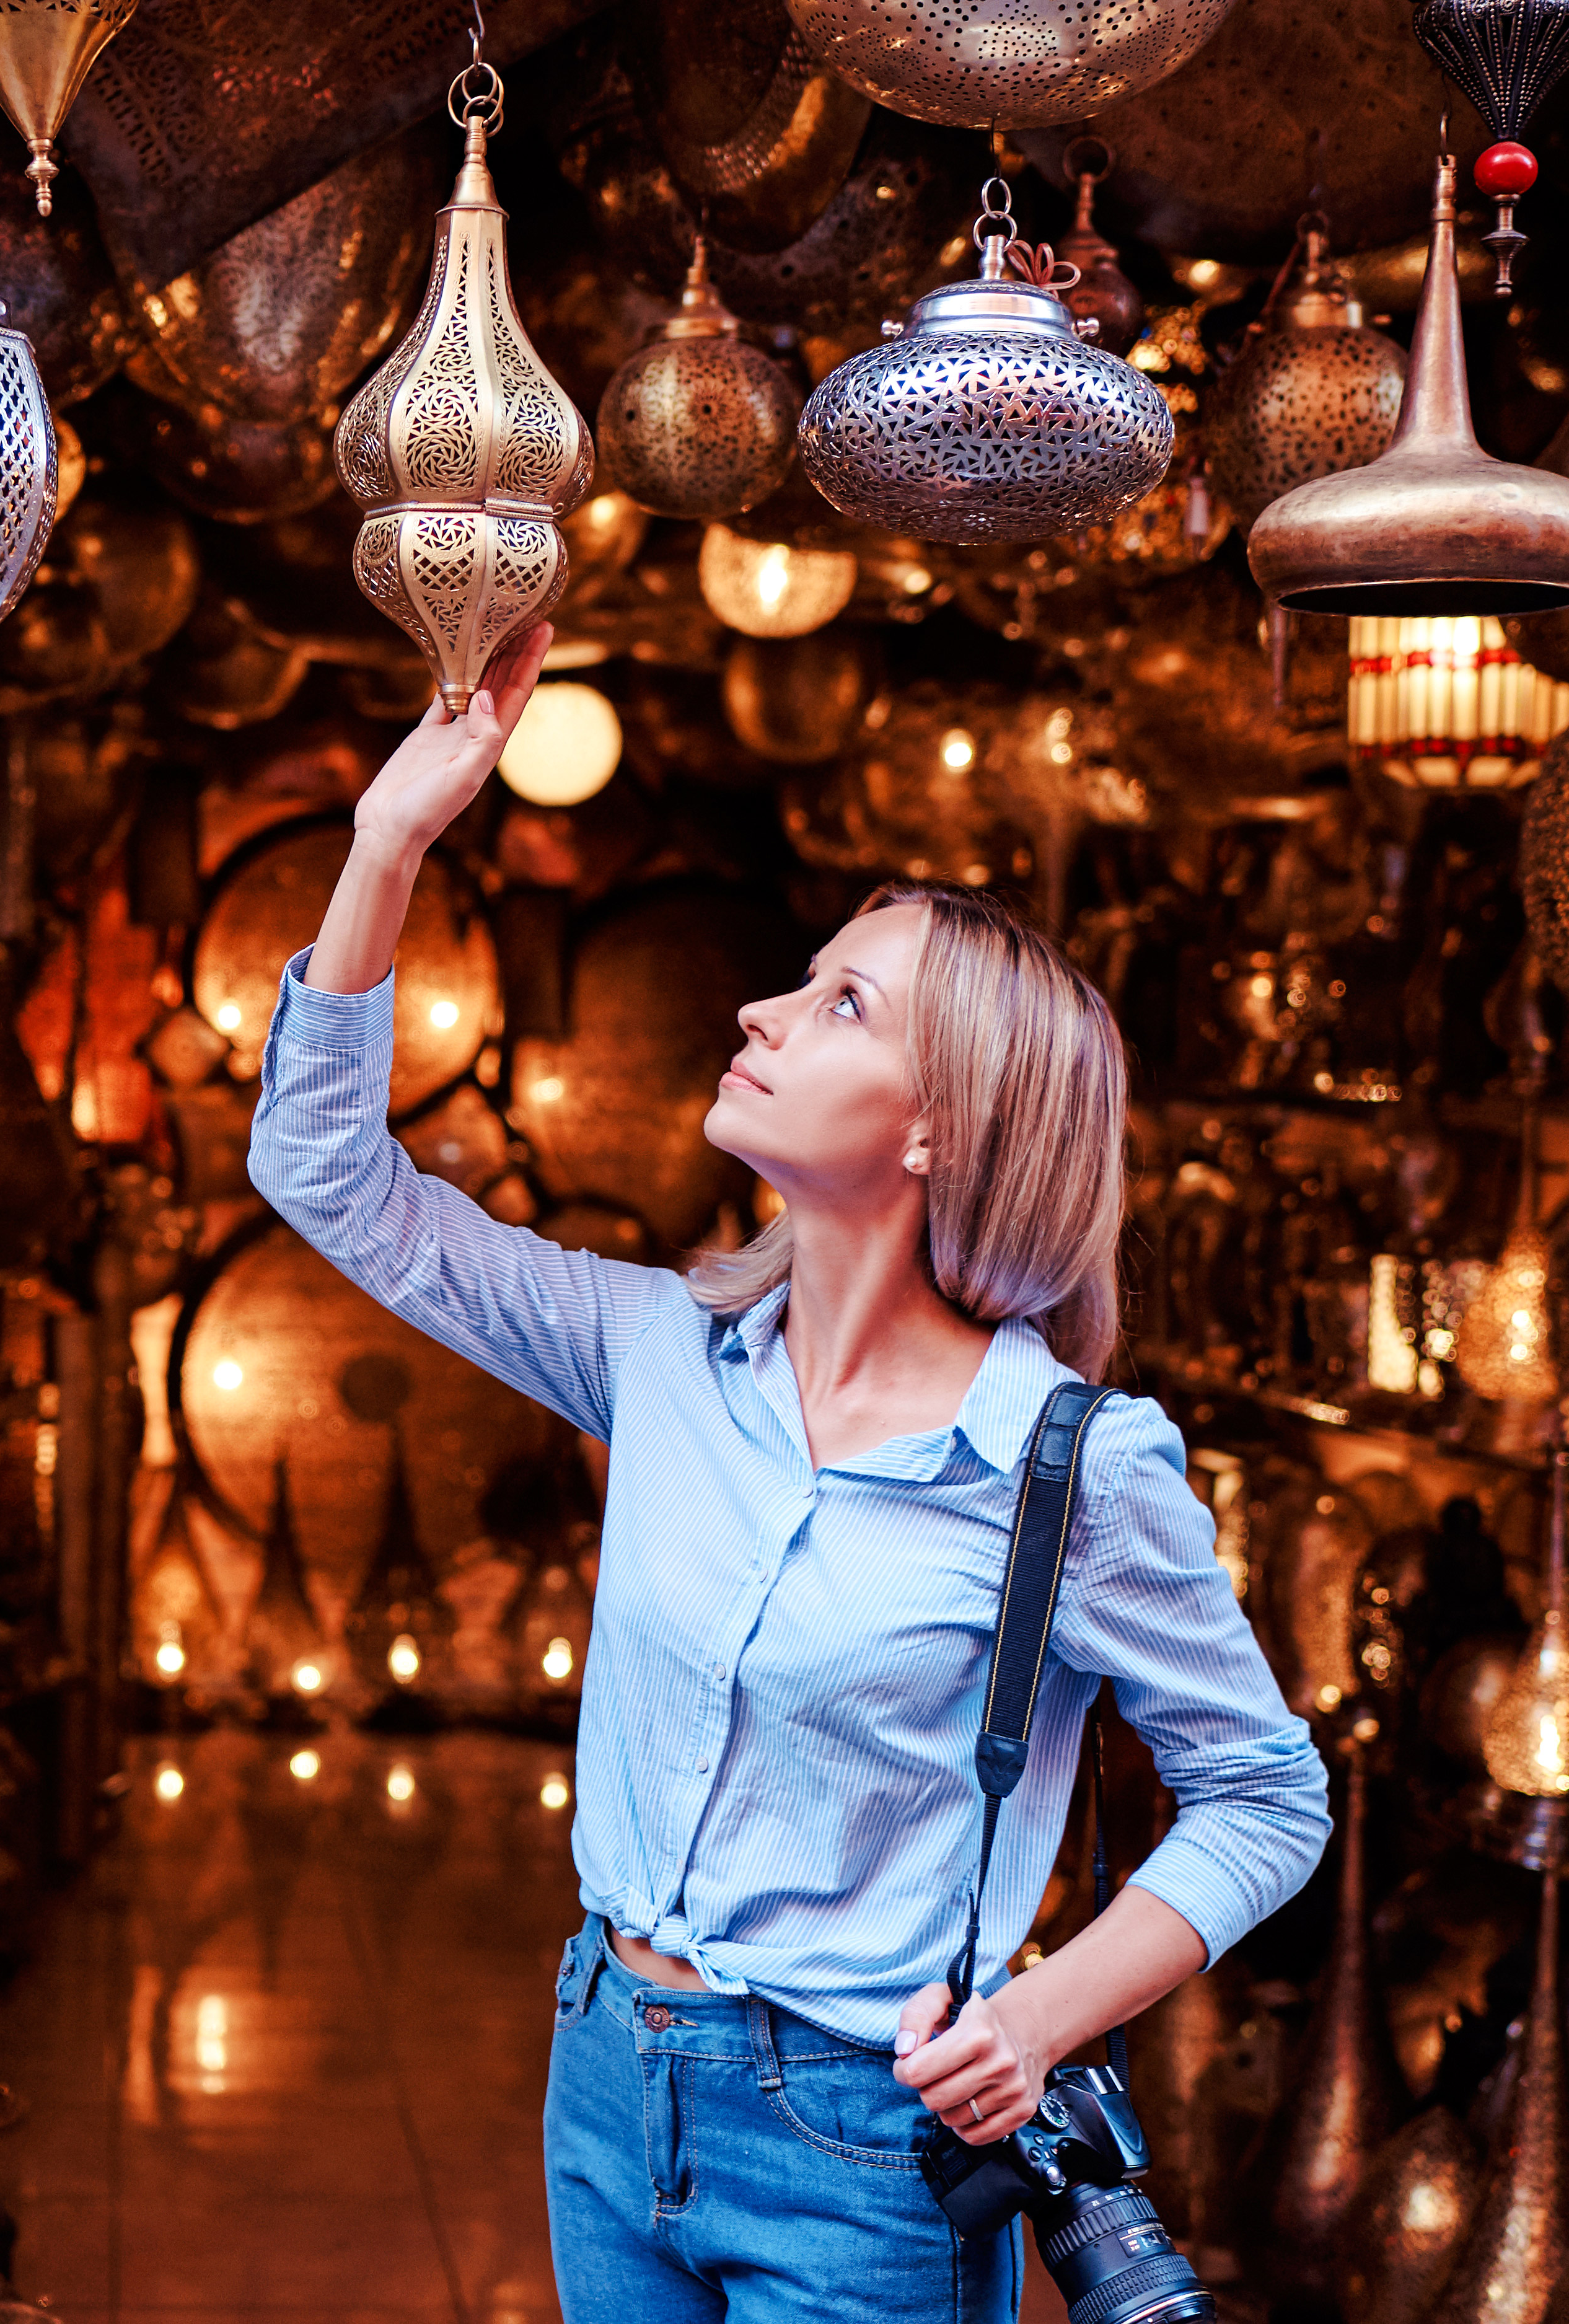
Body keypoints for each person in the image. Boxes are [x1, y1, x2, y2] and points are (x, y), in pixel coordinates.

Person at [245, 624, 1329, 2323]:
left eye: (838, 1003)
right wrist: (389, 840)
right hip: (608, 2074)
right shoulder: (658, 1352)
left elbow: (1269, 1796)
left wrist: (1038, 2022)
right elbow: (324, 1170)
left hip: (858, 2145)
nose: (758, 1009)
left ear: (938, 1129)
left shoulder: (1073, 1470)